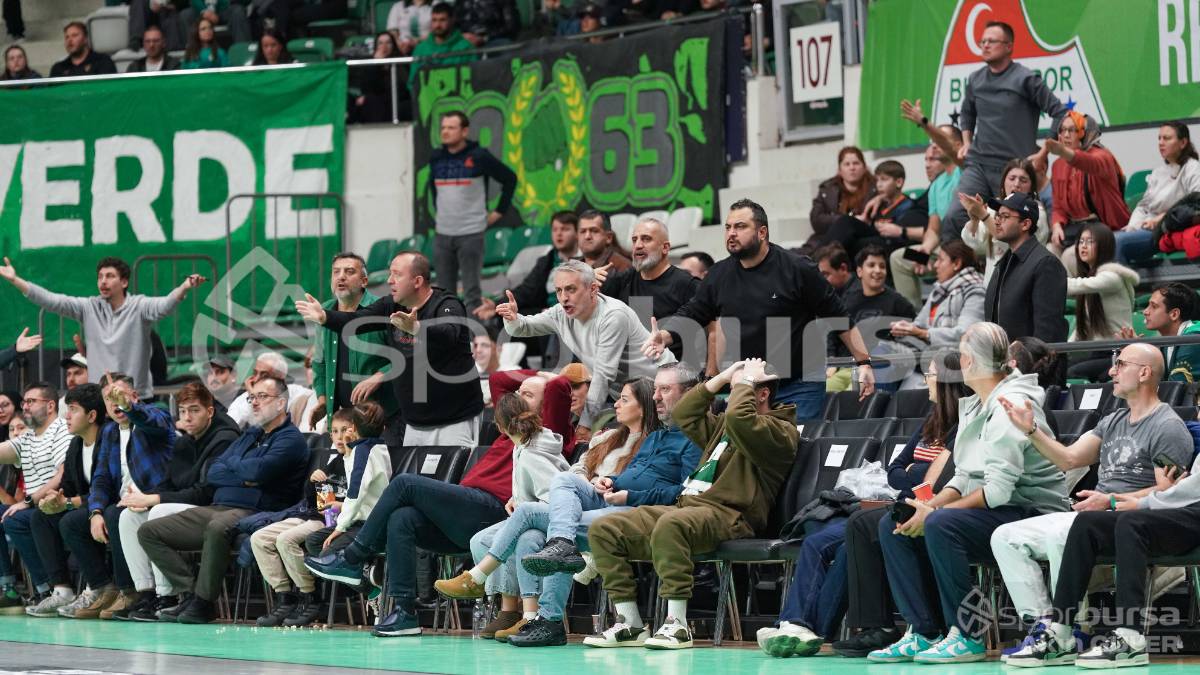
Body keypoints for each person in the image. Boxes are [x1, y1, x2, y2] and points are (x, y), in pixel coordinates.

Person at [303, 372, 574, 638]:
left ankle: (352, 557)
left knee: (405, 484)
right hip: (464, 509)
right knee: (403, 517)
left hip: (491, 510)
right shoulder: (508, 434)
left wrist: (546, 377)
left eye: (527, 394)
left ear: (545, 403)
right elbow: (499, 379)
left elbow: (561, 385)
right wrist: (529, 384)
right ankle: (403, 612)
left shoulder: (546, 430)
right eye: (517, 392)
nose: (515, 396)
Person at [868, 322, 1069, 664]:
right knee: (895, 524)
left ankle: (968, 634)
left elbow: (998, 491)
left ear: (971, 363)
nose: (957, 361)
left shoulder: (1010, 404)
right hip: (998, 508)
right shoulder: (975, 404)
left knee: (942, 525)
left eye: (960, 354)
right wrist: (927, 505)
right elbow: (963, 475)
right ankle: (924, 630)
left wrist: (935, 514)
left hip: (1033, 511)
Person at [995, 342, 1192, 666]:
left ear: (1144, 372)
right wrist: (1030, 429)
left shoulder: (1166, 426)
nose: (1111, 370)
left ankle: (1074, 629)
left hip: (1121, 517)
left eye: (1121, 364)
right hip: (1094, 511)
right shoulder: (1113, 420)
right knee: (1004, 536)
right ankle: (1046, 628)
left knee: (1065, 535)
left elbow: (1167, 493)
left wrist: (1111, 500)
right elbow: (1070, 458)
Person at [760, 354, 967, 657]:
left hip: (920, 509)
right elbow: (895, 469)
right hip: (896, 502)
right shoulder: (929, 421)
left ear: (948, 381)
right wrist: (914, 475)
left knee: (849, 545)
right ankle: (795, 623)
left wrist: (913, 475)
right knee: (817, 542)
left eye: (931, 374)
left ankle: (813, 631)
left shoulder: (962, 425)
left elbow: (937, 479)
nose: (926, 380)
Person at [585, 357, 799, 649]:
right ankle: (630, 623)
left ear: (762, 394)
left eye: (743, 388)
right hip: (690, 508)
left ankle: (677, 625)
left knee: (673, 524)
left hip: (731, 516)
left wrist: (745, 382)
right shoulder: (721, 426)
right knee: (605, 527)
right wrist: (724, 376)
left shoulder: (779, 431)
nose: (734, 392)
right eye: (734, 388)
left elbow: (740, 418)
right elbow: (685, 411)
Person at [441, 378, 660, 642]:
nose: (616, 404)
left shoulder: (653, 444)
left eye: (625, 399)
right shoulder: (608, 438)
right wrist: (589, 484)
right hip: (583, 500)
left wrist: (610, 482)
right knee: (529, 534)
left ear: (644, 406)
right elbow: (579, 468)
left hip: (618, 504)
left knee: (530, 517)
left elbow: (641, 481)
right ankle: (539, 620)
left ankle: (479, 577)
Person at [643, 199, 877, 420]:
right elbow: (694, 311)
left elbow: (839, 316)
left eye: (740, 226)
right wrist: (664, 335)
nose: (731, 233)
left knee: (796, 450)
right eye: (728, 227)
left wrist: (863, 363)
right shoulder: (719, 275)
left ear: (762, 232)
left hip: (800, 384)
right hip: (749, 385)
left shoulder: (798, 268)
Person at [138, 376, 308, 624]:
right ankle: (191, 592)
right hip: (219, 506)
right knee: (149, 531)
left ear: (281, 403)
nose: (255, 403)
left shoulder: (290, 439)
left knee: (218, 527)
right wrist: (244, 473)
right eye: (252, 398)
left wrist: (238, 469)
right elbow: (214, 472)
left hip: (257, 511)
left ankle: (203, 603)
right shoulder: (251, 434)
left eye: (262, 397)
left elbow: (257, 472)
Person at [295, 251, 484, 446]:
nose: (390, 280)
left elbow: (448, 333)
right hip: (415, 422)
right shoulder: (390, 306)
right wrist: (325, 317)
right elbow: (357, 320)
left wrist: (417, 328)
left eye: (396, 274)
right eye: (390, 274)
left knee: (452, 476)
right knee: (406, 477)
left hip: (455, 419)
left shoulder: (447, 304)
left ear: (417, 281)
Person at [499, 260, 676, 436]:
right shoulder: (560, 313)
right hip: (631, 398)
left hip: (663, 388)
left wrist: (585, 425)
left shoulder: (613, 316)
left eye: (571, 289)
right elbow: (524, 327)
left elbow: (603, 375)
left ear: (593, 289)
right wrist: (513, 318)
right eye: (559, 290)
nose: (563, 298)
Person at [51, 373, 176, 620]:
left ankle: (130, 591)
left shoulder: (156, 417)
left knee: (114, 514)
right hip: (121, 503)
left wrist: (131, 408)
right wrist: (94, 512)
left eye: (120, 396)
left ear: (135, 396)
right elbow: (101, 479)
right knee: (72, 522)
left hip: (155, 498)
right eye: (109, 399)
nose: (115, 403)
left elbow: (153, 420)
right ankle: (102, 587)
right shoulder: (109, 432)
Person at [111, 382, 238, 622]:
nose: (187, 418)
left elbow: (205, 492)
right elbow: (170, 483)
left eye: (194, 410)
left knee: (160, 510)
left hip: (214, 508)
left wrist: (154, 499)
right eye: (182, 412)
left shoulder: (225, 439)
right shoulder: (185, 442)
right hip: (186, 505)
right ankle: (148, 593)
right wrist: (142, 500)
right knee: (128, 516)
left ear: (209, 411)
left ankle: (169, 594)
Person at [1, 256, 204, 399]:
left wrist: (184, 287)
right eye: (100, 277)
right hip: (102, 398)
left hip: (137, 397)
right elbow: (52, 301)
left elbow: (165, 305)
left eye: (109, 276)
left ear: (124, 282)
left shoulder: (140, 306)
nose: (103, 281)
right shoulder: (89, 307)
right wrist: (15, 280)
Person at [940, 20, 1067, 242]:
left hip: (1012, 170)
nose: (985, 45)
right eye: (982, 41)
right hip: (979, 164)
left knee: (1012, 226)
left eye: (992, 41)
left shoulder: (1026, 78)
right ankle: (965, 268)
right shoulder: (975, 79)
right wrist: (967, 142)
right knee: (955, 215)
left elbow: (1059, 112)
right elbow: (967, 113)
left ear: (1008, 46)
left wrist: (1043, 152)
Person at [250, 405, 355, 628]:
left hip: (332, 522)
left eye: (344, 430)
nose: (338, 437)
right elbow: (315, 502)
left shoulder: (358, 461)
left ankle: (311, 596)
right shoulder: (333, 461)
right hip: (312, 515)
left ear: (355, 431)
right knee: (259, 538)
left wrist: (338, 504)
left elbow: (357, 502)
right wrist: (313, 482)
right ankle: (285, 597)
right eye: (334, 432)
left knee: (285, 540)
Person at [26, 384, 107, 618]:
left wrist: (69, 503)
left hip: (107, 506)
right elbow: (69, 487)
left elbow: (107, 491)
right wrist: (55, 499)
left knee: (71, 520)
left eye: (72, 409)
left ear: (92, 416)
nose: (66, 416)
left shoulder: (107, 440)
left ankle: (98, 587)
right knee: (41, 517)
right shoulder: (76, 444)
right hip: (84, 505)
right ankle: (62, 590)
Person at [429, 110, 517, 312]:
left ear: (464, 131)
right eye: (443, 127)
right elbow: (434, 189)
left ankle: (475, 340)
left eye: (451, 127)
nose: (445, 132)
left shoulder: (479, 156)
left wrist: (498, 212)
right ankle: (448, 335)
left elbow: (509, 179)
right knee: (443, 293)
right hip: (443, 233)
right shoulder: (436, 157)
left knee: (471, 292)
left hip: (471, 233)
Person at [308, 253, 400, 444]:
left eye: (349, 272)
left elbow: (405, 357)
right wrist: (323, 401)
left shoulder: (382, 309)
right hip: (343, 420)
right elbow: (320, 362)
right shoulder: (325, 310)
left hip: (382, 419)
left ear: (364, 281)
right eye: (336, 272)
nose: (341, 276)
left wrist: (378, 377)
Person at [0, 383, 71, 611]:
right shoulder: (29, 436)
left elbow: (62, 475)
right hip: (38, 506)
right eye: (24, 402)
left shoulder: (61, 429)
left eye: (31, 401)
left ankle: (55, 588)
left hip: (61, 501)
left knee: (21, 518)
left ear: (51, 405)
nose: (25, 407)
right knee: (12, 517)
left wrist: (28, 501)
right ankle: (44, 590)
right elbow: (5, 451)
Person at [301, 403, 394, 573]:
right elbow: (354, 476)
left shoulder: (364, 451)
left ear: (354, 427)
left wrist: (340, 527)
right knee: (314, 541)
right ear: (384, 428)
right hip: (361, 519)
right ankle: (363, 570)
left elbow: (355, 493)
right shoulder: (375, 447)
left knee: (326, 555)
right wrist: (349, 451)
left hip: (369, 524)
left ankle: (369, 584)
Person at [599, 218, 704, 363]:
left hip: (674, 371)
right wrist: (587, 279)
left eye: (646, 239)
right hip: (632, 368)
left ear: (665, 248)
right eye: (634, 240)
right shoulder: (624, 279)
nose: (638, 245)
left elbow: (712, 329)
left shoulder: (687, 284)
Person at [1045, 111, 1130, 275]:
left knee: (1071, 256)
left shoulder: (1102, 156)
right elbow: (1058, 207)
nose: (1065, 135)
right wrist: (1056, 226)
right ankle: (1064, 299)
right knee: (1050, 250)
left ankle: (1084, 298)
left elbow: (1088, 162)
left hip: (1106, 228)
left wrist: (1063, 152)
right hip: (1076, 229)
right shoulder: (1057, 165)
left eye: (1072, 130)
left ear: (1085, 135)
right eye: (1062, 130)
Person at [982, 193, 1068, 343]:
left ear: (1025, 224)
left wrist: (1028, 363)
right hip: (1004, 362)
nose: (996, 221)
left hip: (1028, 364)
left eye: (1005, 216)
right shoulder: (1004, 262)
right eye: (997, 215)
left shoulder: (1045, 263)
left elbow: (1047, 333)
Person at [1115, 122, 1200, 265]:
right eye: (1159, 138)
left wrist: (1160, 219)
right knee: (1105, 241)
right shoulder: (1158, 172)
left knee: (1118, 241)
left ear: (1183, 142)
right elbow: (1143, 207)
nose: (1161, 143)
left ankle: (1116, 288)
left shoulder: (1193, 168)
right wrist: (1132, 226)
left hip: (1164, 231)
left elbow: (1195, 205)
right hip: (1145, 227)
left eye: (1166, 138)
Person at [476, 211, 581, 324]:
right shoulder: (547, 260)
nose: (558, 234)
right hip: (548, 313)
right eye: (555, 229)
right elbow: (526, 290)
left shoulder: (586, 260)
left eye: (565, 229)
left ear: (577, 233)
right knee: (511, 317)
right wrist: (498, 305)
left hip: (575, 314)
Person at [1065, 223, 1139, 380]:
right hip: (1098, 351)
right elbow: (1082, 328)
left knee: (1073, 372)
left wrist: (1046, 281)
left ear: (1104, 246)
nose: (1083, 246)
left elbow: (1074, 286)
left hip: (1117, 352)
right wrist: (1062, 351)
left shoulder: (1112, 277)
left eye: (1090, 242)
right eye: (1081, 241)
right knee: (1060, 368)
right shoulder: (1092, 280)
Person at [958, 159, 1049, 283]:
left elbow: (1009, 241)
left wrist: (983, 216)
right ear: (1003, 183)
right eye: (1012, 178)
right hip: (992, 285)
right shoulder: (992, 209)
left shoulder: (1038, 213)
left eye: (1023, 180)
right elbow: (975, 246)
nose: (1016, 184)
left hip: (1023, 284)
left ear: (1031, 187)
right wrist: (974, 219)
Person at [840, 245, 917, 391]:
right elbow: (834, 332)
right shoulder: (849, 300)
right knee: (827, 391)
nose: (877, 270)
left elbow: (913, 337)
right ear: (859, 271)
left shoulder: (899, 303)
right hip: (849, 365)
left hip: (882, 367)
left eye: (882, 266)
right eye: (871, 265)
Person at [889, 240, 985, 351]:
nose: (935, 265)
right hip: (932, 356)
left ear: (957, 264)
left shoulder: (976, 291)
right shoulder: (940, 290)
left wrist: (923, 333)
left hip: (958, 360)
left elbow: (967, 334)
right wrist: (904, 328)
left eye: (940, 260)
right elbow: (919, 324)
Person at [826, 161, 927, 259]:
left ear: (899, 182)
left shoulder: (909, 207)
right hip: (878, 243)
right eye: (877, 180)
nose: (879, 184)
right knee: (846, 222)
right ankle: (822, 259)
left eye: (884, 179)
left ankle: (823, 263)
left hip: (896, 247)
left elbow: (906, 241)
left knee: (857, 244)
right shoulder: (878, 204)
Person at [807, 147, 876, 252]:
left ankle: (818, 262)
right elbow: (816, 220)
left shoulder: (876, 188)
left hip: (861, 240)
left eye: (856, 163)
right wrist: (844, 219)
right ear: (839, 170)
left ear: (864, 167)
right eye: (847, 164)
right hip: (828, 238)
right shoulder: (827, 190)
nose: (852, 168)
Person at [225, 352, 316, 430]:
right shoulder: (243, 399)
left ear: (281, 377)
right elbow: (229, 427)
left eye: (264, 375)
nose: (256, 379)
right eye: (255, 373)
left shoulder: (298, 394)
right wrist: (252, 396)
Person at [1134, 282, 1200, 382]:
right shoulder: (1165, 342)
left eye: (1154, 306)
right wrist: (1133, 356)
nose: (1145, 311)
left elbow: (1175, 387)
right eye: (1148, 305)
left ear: (1174, 314)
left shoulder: (1192, 341)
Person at [408, 3, 476, 87]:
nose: (437, 25)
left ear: (452, 20)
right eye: (434, 20)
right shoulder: (420, 49)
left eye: (442, 20)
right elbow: (413, 82)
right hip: (427, 98)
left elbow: (472, 80)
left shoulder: (466, 47)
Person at [348, 32, 407, 124]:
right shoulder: (370, 64)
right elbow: (367, 88)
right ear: (376, 46)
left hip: (394, 101)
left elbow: (401, 88)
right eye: (380, 43)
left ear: (393, 46)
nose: (384, 46)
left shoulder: (400, 62)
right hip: (375, 103)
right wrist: (376, 64)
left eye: (388, 43)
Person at [49, 22, 117, 77]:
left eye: (74, 35)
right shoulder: (58, 68)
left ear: (85, 39)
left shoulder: (103, 62)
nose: (69, 40)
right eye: (67, 37)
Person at [179, 0, 251, 45]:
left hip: (223, 9)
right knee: (185, 15)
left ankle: (242, 49)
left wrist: (217, 10)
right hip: (202, 9)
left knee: (237, 11)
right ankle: (191, 52)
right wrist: (204, 11)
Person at [454, 0, 519, 47]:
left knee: (505, 46)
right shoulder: (460, 3)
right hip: (465, 42)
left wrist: (484, 38)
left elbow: (512, 26)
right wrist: (462, 37)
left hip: (495, 40)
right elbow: (453, 25)